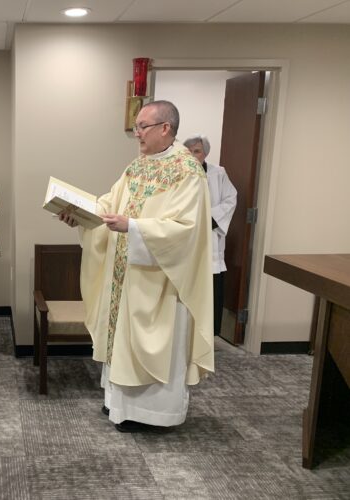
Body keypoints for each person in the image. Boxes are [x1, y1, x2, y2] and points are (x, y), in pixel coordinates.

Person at [60, 100, 214, 432]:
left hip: (160, 282)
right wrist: (82, 215)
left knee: (156, 344)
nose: (136, 134)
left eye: (142, 126)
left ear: (165, 128)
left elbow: (186, 230)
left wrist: (133, 227)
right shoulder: (138, 166)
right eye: (136, 127)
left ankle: (153, 414)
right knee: (121, 340)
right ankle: (119, 405)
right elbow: (110, 202)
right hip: (125, 277)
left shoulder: (187, 172)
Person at [183, 135, 237, 336]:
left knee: (210, 290)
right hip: (186, 237)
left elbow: (231, 199)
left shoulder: (218, 173)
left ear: (205, 154)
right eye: (188, 151)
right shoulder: (178, 172)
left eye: (196, 151)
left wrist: (209, 218)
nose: (192, 155)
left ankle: (207, 336)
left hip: (210, 235)